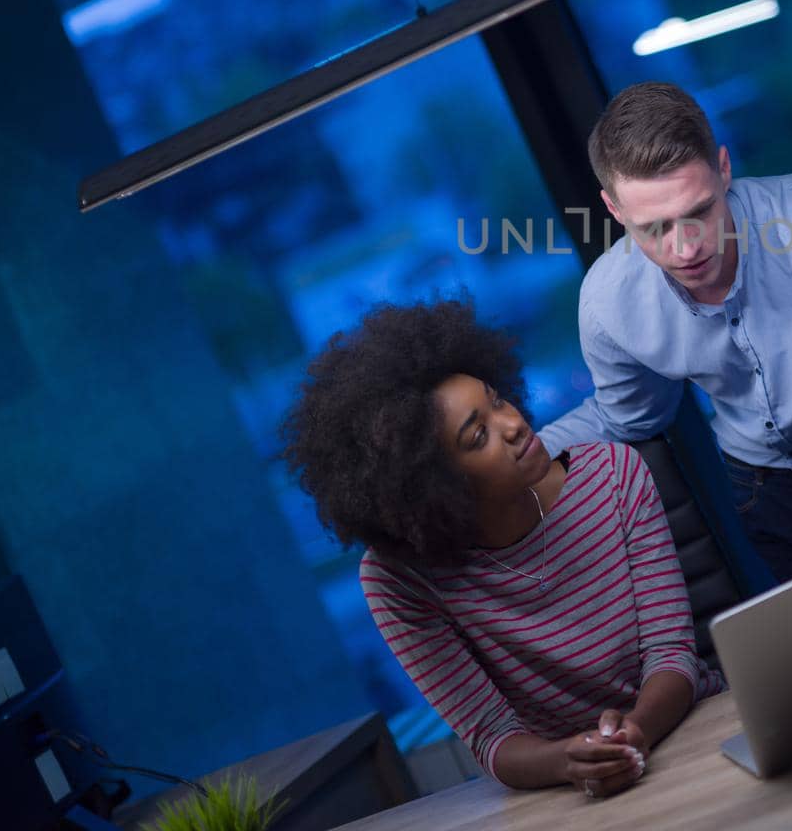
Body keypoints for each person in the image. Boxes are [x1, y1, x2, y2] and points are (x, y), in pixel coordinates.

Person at [279, 298, 724, 798]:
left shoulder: (614, 476)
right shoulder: (401, 582)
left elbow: (672, 654)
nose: (512, 425)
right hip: (565, 794)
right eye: (478, 436)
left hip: (693, 734)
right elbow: (493, 738)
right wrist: (570, 760)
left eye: (497, 400)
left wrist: (634, 732)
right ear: (433, 483)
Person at [535, 82, 792, 582]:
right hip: (764, 498)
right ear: (615, 211)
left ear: (724, 169)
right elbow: (628, 417)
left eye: (699, 212)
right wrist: (510, 462)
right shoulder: (608, 303)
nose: (685, 249)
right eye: (654, 228)